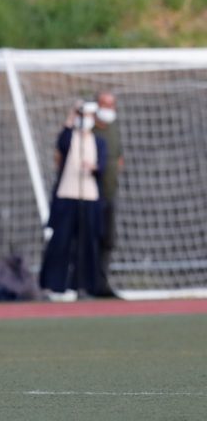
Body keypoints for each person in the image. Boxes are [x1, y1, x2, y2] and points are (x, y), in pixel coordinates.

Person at [39, 102, 107, 298]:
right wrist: (71, 116)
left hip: (89, 197)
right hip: (67, 196)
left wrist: (93, 167)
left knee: (87, 244)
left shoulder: (98, 141)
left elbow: (102, 166)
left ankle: (83, 286)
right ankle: (52, 285)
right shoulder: (70, 138)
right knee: (60, 242)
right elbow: (61, 143)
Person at [93, 91, 124, 298]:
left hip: (110, 194)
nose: (109, 109)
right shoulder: (89, 130)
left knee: (108, 240)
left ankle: (102, 284)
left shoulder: (114, 129)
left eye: (111, 105)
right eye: (105, 104)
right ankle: (84, 285)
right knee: (89, 241)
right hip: (90, 196)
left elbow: (119, 158)